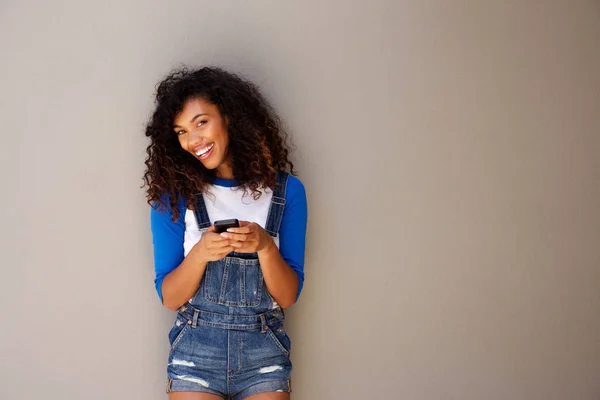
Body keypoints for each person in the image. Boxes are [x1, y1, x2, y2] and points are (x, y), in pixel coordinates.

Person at [143, 66, 307, 400]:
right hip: (195, 354)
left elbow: (288, 296)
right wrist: (201, 253)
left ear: (229, 117)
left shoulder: (287, 192)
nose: (193, 141)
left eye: (201, 122)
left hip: (264, 352)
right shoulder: (173, 197)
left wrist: (265, 246)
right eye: (181, 132)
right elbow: (170, 297)